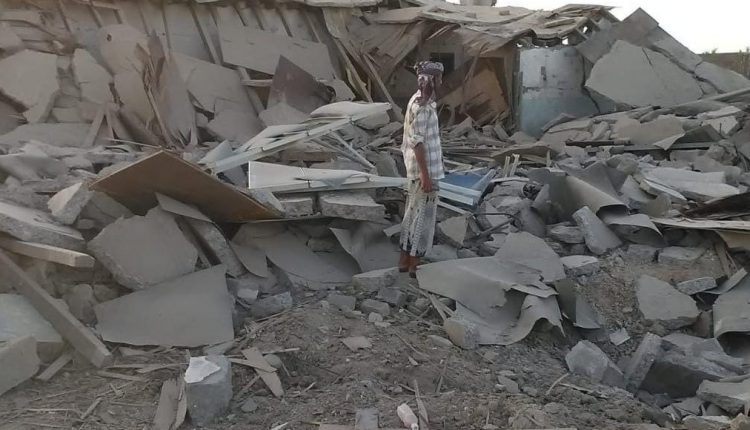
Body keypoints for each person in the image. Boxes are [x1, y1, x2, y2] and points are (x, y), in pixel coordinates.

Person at [398, 61, 445, 278]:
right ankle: (414, 265)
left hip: (417, 169)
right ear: (432, 80)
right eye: (439, 78)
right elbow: (417, 142)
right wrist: (425, 175)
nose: (441, 82)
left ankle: (404, 260)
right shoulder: (423, 107)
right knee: (422, 217)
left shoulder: (417, 100)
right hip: (425, 171)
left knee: (411, 213)